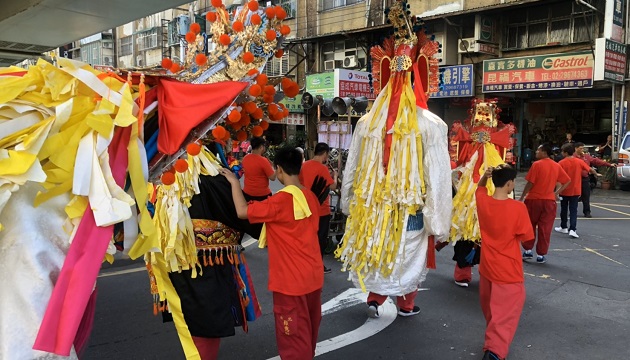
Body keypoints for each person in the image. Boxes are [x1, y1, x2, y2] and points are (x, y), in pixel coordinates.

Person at [338, 1, 452, 319]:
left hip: (371, 208)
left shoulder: (366, 123)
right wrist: (439, 220)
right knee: (409, 253)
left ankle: (374, 298)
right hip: (410, 210)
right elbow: (439, 178)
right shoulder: (432, 125)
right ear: (420, 77)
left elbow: (352, 169)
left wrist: (349, 203)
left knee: (377, 250)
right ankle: (406, 303)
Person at [221, 147, 324, 360]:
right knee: (309, 331)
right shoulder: (310, 196)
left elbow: (242, 211)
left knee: (293, 338)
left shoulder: (279, 201)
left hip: (290, 282)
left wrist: (233, 182)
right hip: (313, 276)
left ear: (279, 170)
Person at [476, 165, 534, 360]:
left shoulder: (483, 201)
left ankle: (492, 344)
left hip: (487, 267)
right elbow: (527, 237)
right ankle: (494, 351)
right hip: (508, 269)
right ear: (510, 184)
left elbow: (480, 189)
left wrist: (484, 176)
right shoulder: (518, 207)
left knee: (492, 310)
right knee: (505, 313)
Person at [519, 144, 571, 263]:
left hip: (533, 199)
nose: (536, 152)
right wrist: (556, 193)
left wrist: (522, 196)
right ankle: (541, 254)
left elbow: (530, 183)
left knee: (530, 225)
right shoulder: (556, 165)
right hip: (549, 201)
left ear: (544, 152)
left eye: (538, 150)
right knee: (545, 228)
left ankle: (527, 250)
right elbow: (567, 181)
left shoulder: (536, 165)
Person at [299, 142, 338, 274]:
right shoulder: (322, 169)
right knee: (320, 239)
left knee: (308, 237)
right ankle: (318, 265)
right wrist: (336, 177)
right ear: (325, 154)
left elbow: (300, 183)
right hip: (321, 210)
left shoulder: (304, 166)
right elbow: (332, 187)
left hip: (306, 207)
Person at [554, 144, 599, 238]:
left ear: (565, 153)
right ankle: (573, 229)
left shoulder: (561, 163)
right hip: (576, 189)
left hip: (564, 190)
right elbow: (589, 169)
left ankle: (564, 226)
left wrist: (556, 191)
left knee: (564, 209)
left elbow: (557, 176)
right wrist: (596, 174)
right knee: (573, 210)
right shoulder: (579, 161)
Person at [575, 142, 616, 218]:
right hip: (575, 179)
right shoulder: (573, 157)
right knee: (573, 196)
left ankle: (587, 212)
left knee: (586, 196)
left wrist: (609, 164)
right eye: (580, 148)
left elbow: (596, 161)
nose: (582, 150)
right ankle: (573, 211)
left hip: (584, 178)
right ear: (576, 148)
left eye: (583, 148)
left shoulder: (586, 157)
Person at [241, 136, 276, 201]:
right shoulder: (263, 160)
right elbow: (273, 178)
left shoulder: (245, 158)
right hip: (262, 195)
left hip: (247, 193)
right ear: (261, 147)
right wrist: (276, 168)